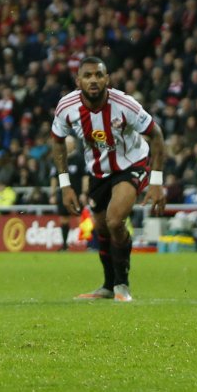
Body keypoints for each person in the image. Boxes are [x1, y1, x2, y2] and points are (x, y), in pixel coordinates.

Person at [50, 57, 166, 302]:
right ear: (78, 81)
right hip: (97, 171)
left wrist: (156, 181)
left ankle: (122, 285)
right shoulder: (67, 107)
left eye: (99, 75)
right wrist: (65, 185)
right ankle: (108, 285)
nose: (93, 80)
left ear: (107, 79)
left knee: (114, 221)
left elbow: (156, 134)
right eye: (88, 75)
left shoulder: (125, 104)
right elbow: (57, 141)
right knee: (101, 227)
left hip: (131, 164)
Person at [49, 136, 88, 251]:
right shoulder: (59, 158)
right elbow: (54, 177)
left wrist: (84, 193)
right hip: (62, 194)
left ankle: (88, 245)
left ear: (73, 144)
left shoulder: (79, 159)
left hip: (77, 194)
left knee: (80, 218)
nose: (66, 145)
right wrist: (53, 194)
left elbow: (85, 177)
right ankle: (65, 245)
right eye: (65, 143)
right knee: (63, 219)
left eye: (69, 143)